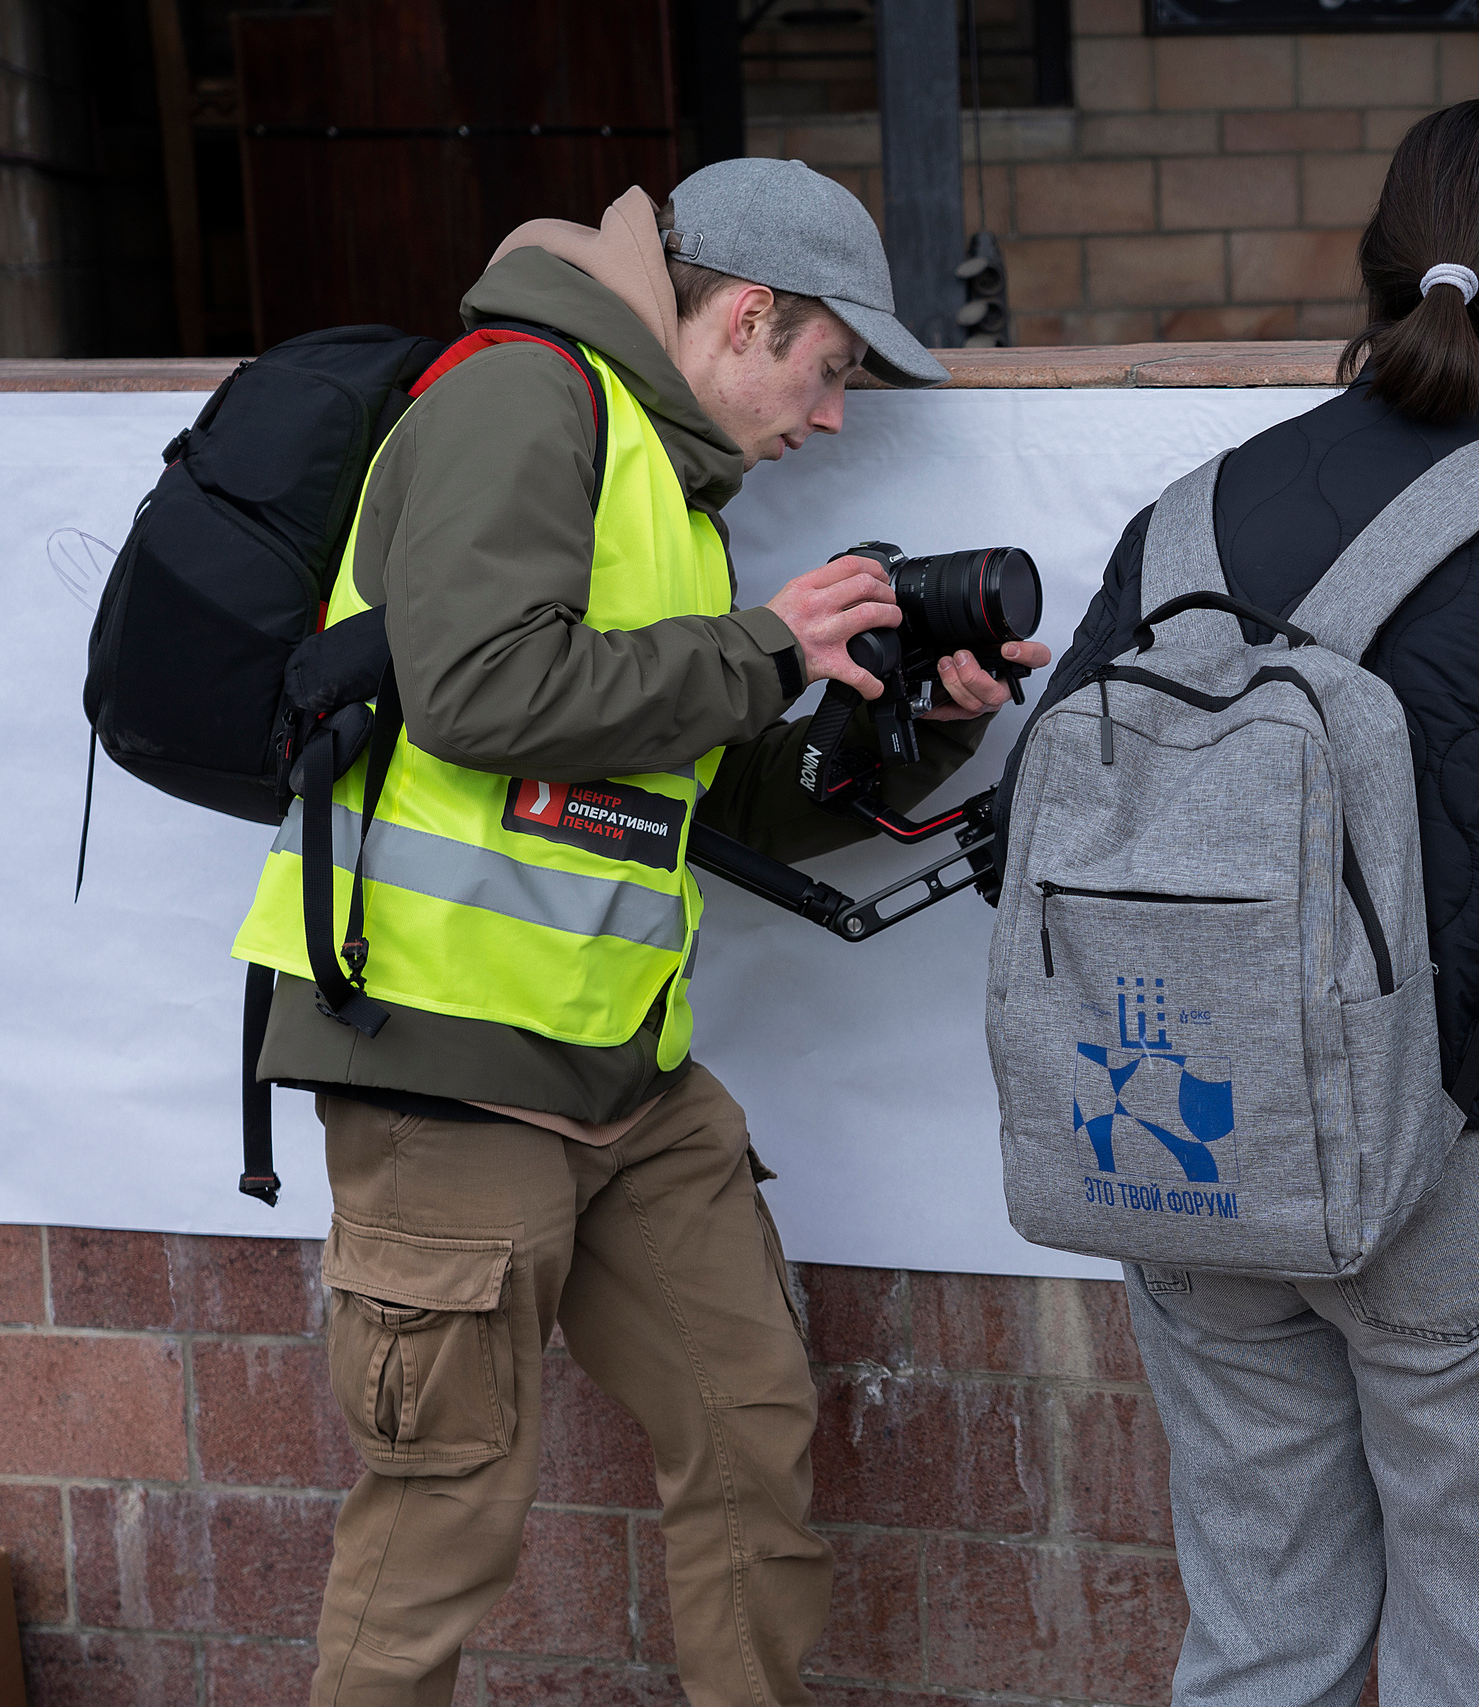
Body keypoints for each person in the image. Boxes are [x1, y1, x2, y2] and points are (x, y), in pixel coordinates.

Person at [229, 160, 1049, 1706]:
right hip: (446, 1062)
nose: (831, 418)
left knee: (746, 1431)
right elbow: (480, 694)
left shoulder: (666, 483)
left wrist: (917, 728)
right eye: (830, 372)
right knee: (442, 1525)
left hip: (625, 1073)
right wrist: (757, 644)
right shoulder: (523, 399)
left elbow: (701, 791)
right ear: (749, 314)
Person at [1000, 99, 1479, 1705]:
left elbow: (1043, 816)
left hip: (1188, 1141)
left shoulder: (1181, 518)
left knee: (1261, 1637)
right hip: (1452, 1167)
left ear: (1379, 282)